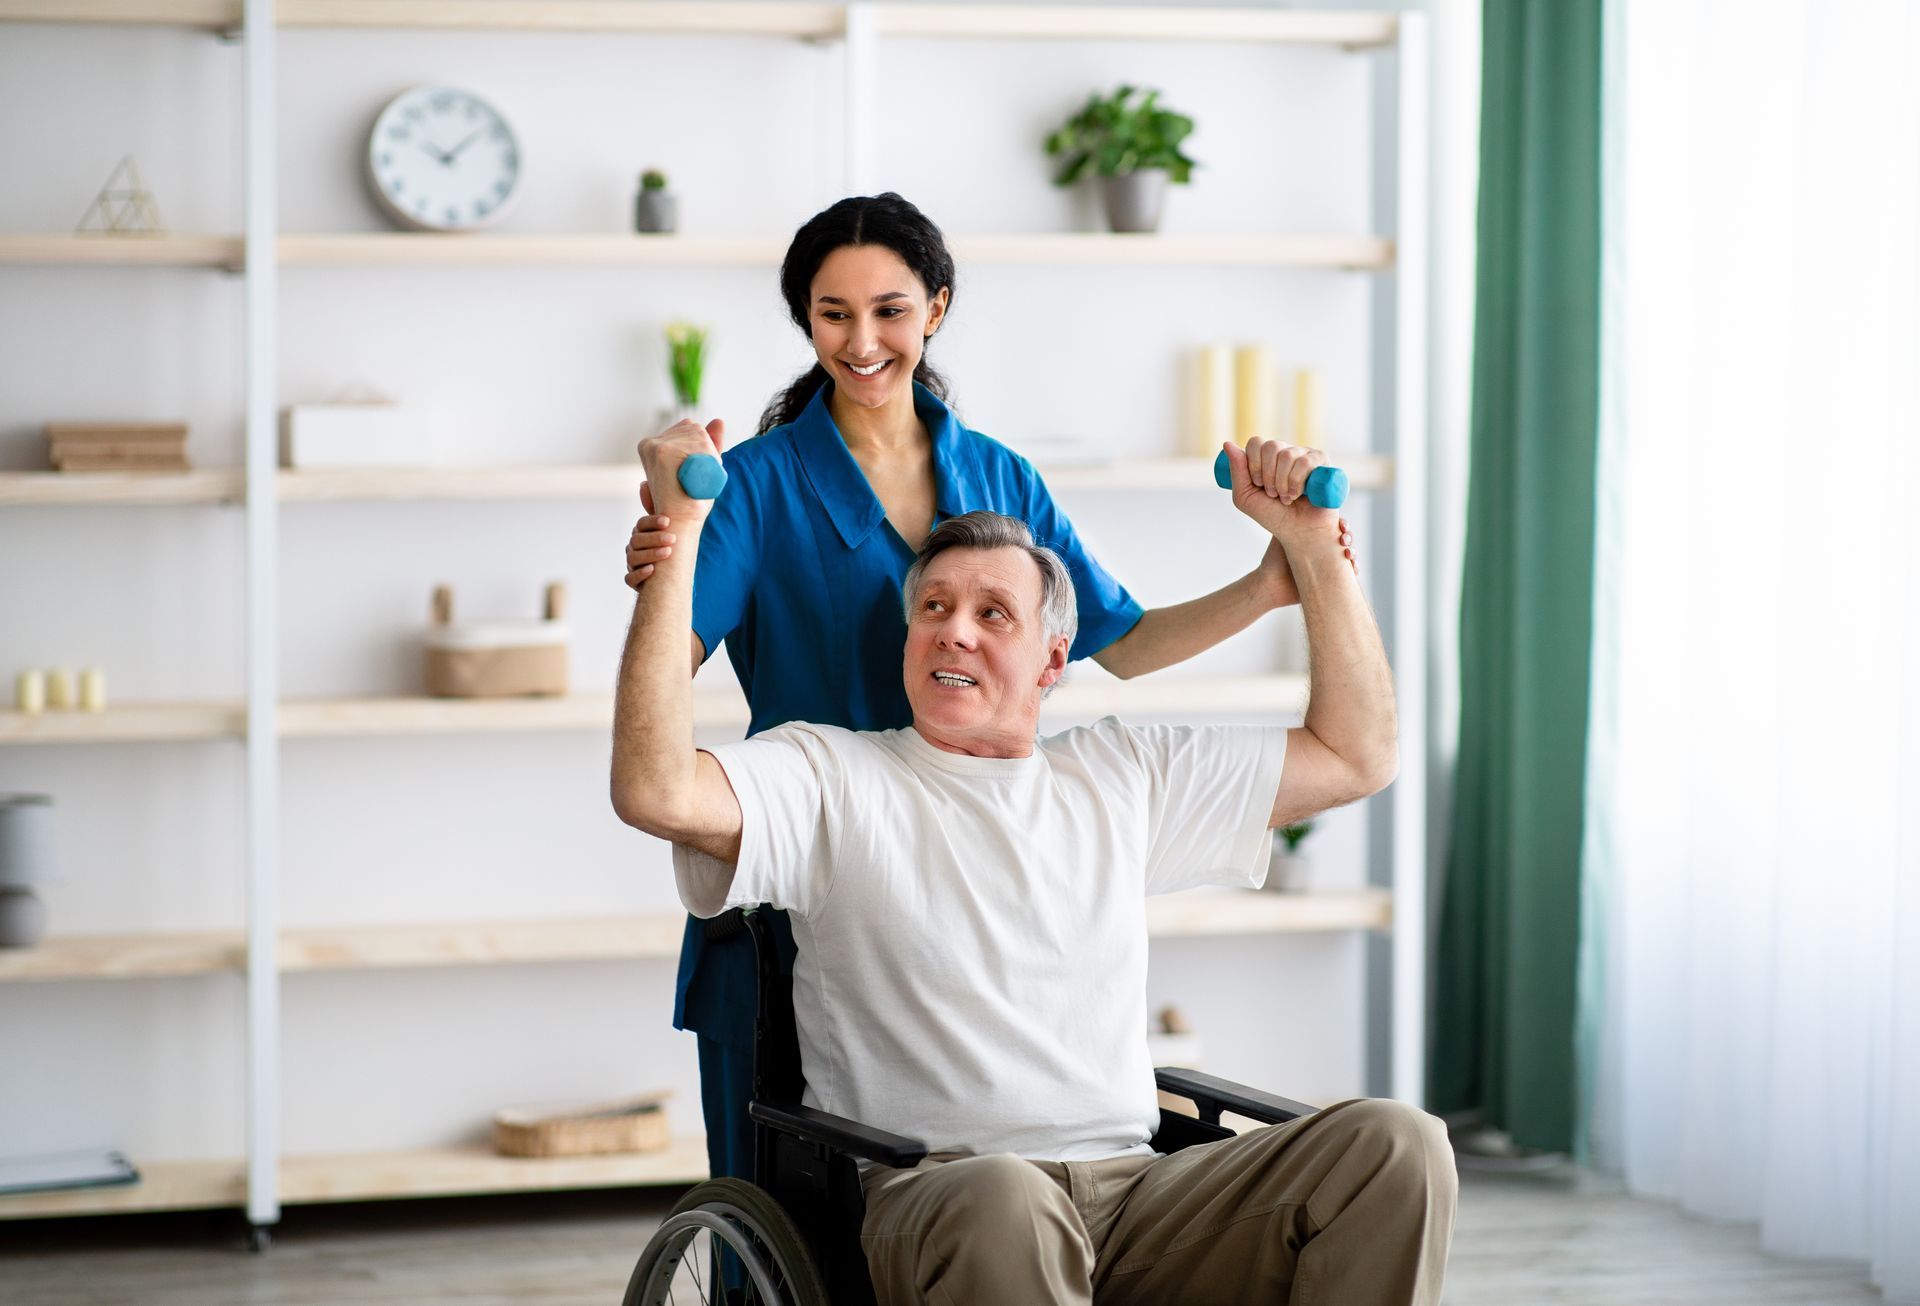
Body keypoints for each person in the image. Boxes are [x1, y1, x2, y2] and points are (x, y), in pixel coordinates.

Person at [611, 429, 1456, 1304]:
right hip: (945, 1194)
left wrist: (1315, 551)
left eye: (993, 614)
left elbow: (1358, 756)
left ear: (1055, 661)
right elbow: (655, 789)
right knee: (1009, 1194)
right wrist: (676, 547)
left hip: (1139, 1197)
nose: (955, 633)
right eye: (932, 608)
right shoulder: (831, 777)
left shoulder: (1123, 775)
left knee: (1396, 1145)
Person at [621, 191, 1358, 1187]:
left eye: (889, 309)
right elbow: (667, 676)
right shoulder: (754, 483)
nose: (864, 340)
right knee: (790, 1226)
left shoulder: (999, 476)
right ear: (805, 321)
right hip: (806, 857)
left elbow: (1122, 643)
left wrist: (1275, 581)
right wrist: (676, 547)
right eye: (833, 314)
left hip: (975, 879)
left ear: (937, 306)